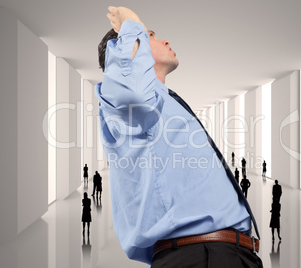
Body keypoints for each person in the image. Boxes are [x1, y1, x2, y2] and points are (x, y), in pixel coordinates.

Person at [95, 6, 262, 267]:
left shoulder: (165, 102)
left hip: (232, 254)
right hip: (200, 256)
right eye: (150, 35)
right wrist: (131, 24)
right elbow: (132, 94)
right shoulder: (122, 96)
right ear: (125, 52)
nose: (165, 40)